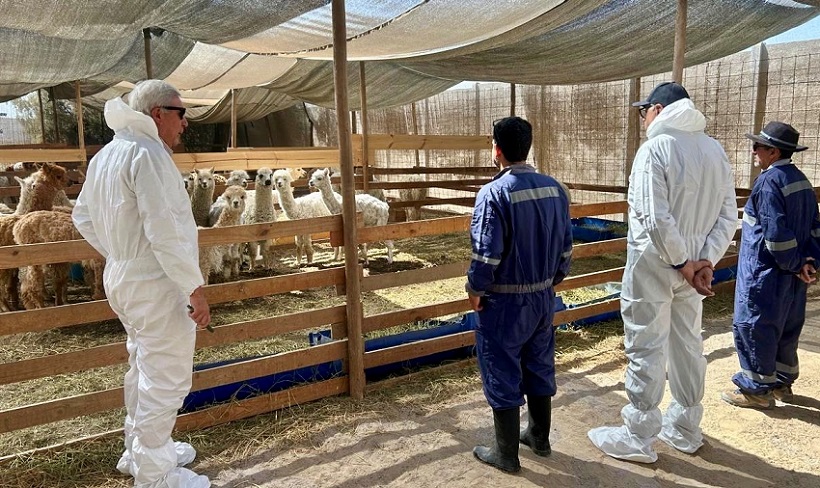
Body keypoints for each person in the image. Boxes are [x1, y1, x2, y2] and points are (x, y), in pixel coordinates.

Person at [588, 82, 737, 463]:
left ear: (657, 109)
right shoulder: (714, 150)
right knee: (687, 342)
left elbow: (654, 217)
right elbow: (727, 216)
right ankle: (685, 426)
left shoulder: (655, 149)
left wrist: (681, 262)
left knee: (646, 343)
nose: (643, 119)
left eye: (644, 112)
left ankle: (639, 434)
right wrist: (705, 262)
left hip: (655, 263)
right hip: (695, 268)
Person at [72, 80, 211, 488]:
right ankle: (155, 473)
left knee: (143, 364)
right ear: (158, 114)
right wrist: (194, 288)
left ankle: (142, 451)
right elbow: (165, 231)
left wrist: (120, 252)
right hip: (156, 281)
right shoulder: (149, 154)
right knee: (166, 375)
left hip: (125, 276)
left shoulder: (107, 154)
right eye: (181, 114)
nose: (185, 124)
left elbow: (82, 217)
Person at [466, 116, 573, 473]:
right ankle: (539, 437)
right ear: (527, 146)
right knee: (539, 362)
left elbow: (486, 254)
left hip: (504, 303)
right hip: (542, 297)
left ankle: (506, 455)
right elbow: (566, 248)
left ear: (496, 149)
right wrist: (551, 281)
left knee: (501, 367)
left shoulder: (493, 194)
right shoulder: (555, 189)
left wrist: (475, 289)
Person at [722, 121, 818, 409]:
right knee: (787, 326)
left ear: (773, 152)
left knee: (755, 326)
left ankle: (756, 390)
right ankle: (781, 384)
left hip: (765, 273)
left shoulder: (768, 182)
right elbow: (815, 227)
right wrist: (808, 263)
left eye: (758, 147)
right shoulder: (801, 181)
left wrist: (794, 264)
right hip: (795, 276)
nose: (754, 151)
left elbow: (775, 235)